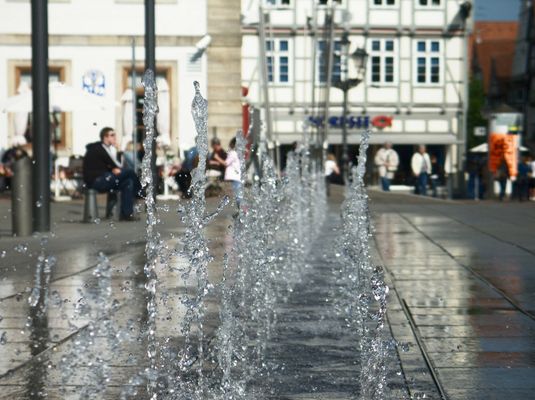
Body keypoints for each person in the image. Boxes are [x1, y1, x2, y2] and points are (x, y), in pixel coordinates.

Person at [83, 127, 141, 221]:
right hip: (97, 181)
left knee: (128, 182)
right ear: (105, 137)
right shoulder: (101, 148)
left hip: (104, 178)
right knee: (130, 172)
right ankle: (140, 192)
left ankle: (126, 214)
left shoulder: (105, 148)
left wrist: (117, 159)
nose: (115, 137)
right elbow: (118, 166)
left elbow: (118, 167)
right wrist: (119, 151)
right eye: (112, 135)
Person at [214, 137, 242, 208]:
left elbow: (226, 163)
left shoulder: (233, 153)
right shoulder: (238, 153)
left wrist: (217, 158)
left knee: (238, 195)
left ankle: (243, 212)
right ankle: (242, 212)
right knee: (238, 194)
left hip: (235, 177)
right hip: (238, 176)